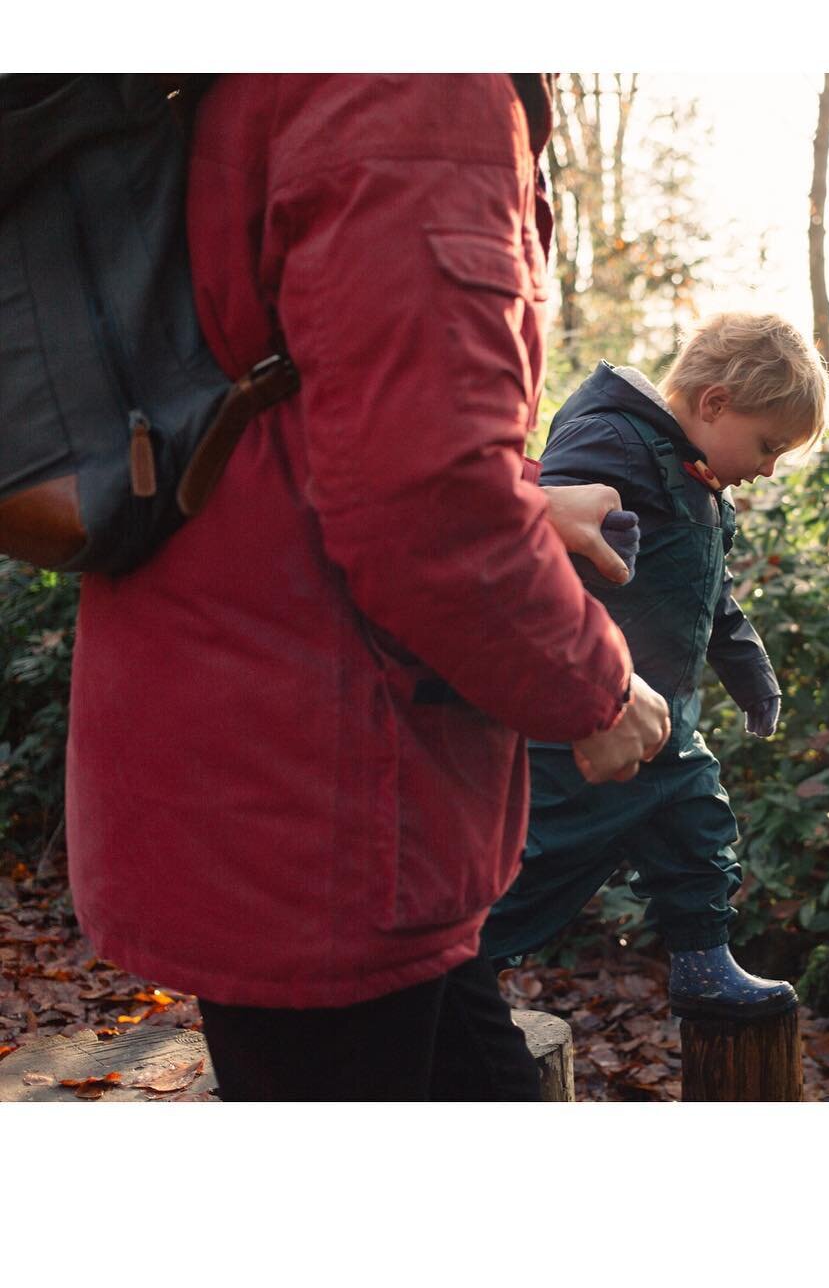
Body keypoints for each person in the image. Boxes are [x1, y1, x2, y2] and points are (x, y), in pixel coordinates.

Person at [64, 74, 670, 1101]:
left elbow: (296, 409)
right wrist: (596, 691)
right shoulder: (414, 87)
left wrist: (518, 493)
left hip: (268, 743)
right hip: (329, 798)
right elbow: (424, 510)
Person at [482, 312, 829, 1019]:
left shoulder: (698, 483)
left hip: (668, 723)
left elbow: (712, 593)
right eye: (767, 447)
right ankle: (456, 969)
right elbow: (546, 550)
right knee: (536, 860)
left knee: (698, 831)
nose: (766, 470)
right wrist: (579, 678)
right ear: (714, 404)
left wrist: (752, 674)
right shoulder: (609, 439)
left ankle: (704, 962)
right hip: (582, 719)